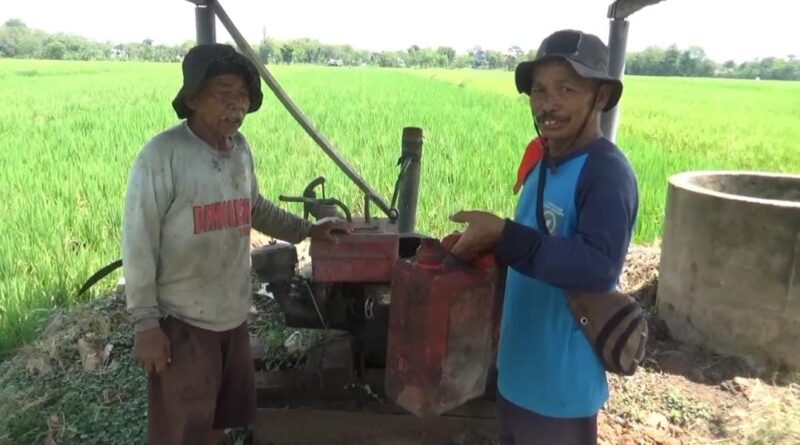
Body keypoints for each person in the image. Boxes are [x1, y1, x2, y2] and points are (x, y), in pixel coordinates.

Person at [121, 43, 351, 445]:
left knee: (217, 422)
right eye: (223, 92)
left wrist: (307, 230)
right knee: (181, 432)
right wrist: (146, 325)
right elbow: (138, 242)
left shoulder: (240, 149)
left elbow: (254, 207)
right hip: (184, 324)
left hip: (232, 316)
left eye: (243, 95)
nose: (237, 105)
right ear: (192, 98)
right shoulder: (162, 156)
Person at [449, 30, 639, 444]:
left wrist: (505, 234)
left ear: (601, 97)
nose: (547, 105)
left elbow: (598, 267)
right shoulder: (542, 158)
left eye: (566, 89)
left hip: (560, 388)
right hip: (516, 372)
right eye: (539, 91)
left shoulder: (606, 173)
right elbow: (530, 247)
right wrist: (483, 246)